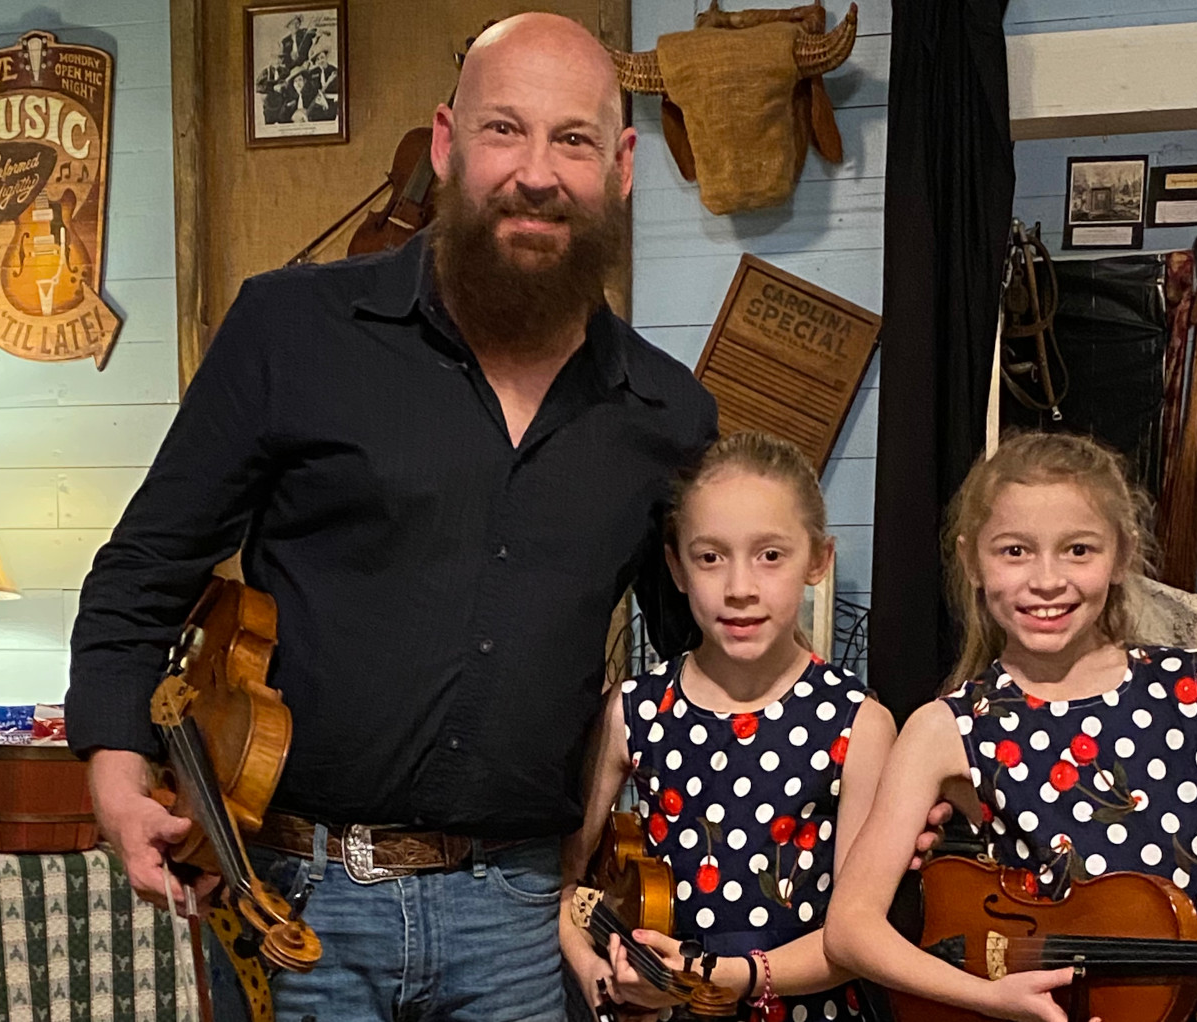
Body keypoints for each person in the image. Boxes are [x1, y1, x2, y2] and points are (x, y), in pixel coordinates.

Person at [65, 13, 717, 1022]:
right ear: (449, 144)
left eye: (573, 139)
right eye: (506, 130)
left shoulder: (671, 413)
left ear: (622, 165)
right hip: (297, 901)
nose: (536, 172)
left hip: (521, 921)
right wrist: (113, 762)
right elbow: (142, 568)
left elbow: (704, 674)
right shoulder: (291, 330)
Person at [825, 432, 1197, 1022]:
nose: (1047, 580)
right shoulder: (944, 726)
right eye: (1014, 551)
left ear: (1122, 555)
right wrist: (988, 998)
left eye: (1078, 550)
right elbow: (850, 929)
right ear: (972, 560)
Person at [560, 432, 897, 1021]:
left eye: (770, 555)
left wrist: (721, 979)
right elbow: (565, 886)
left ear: (818, 559)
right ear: (677, 567)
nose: (740, 589)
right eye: (710, 557)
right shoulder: (633, 709)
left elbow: (853, 940)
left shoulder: (858, 722)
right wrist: (595, 974)